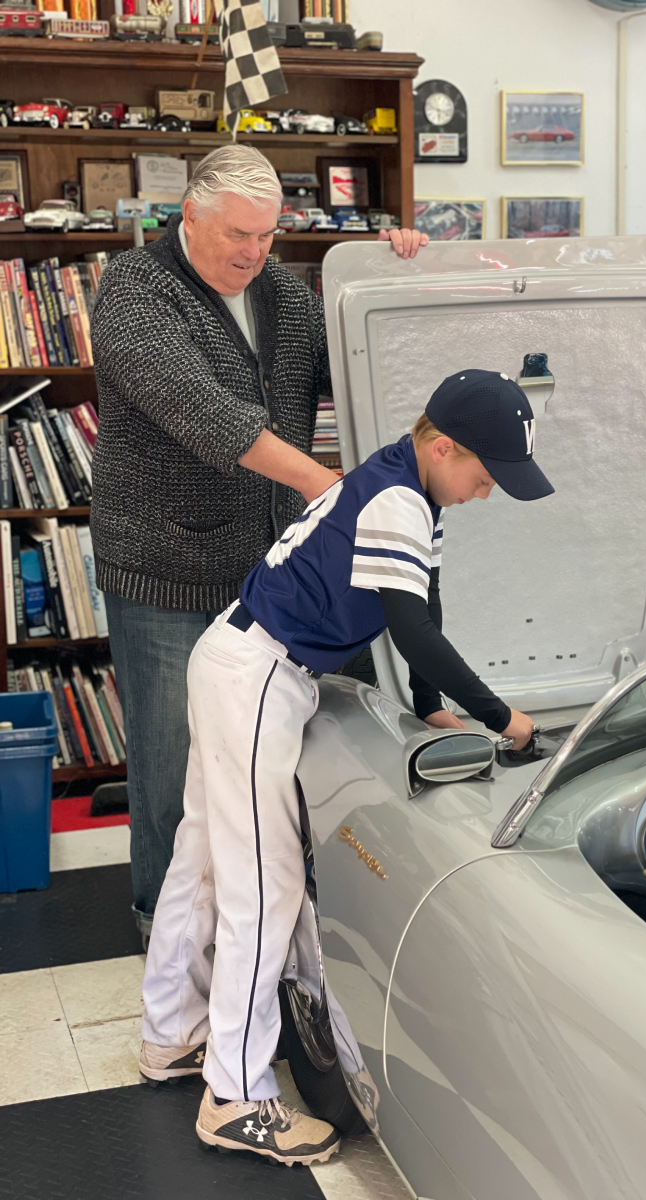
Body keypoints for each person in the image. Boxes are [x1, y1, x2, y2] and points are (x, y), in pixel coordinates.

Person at [138, 369, 554, 1164]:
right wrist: (505, 718)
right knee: (265, 886)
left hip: (237, 660)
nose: (487, 492)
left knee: (201, 865)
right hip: (260, 674)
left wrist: (433, 706)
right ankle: (234, 1096)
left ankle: (170, 1033)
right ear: (441, 445)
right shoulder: (399, 500)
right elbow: (413, 632)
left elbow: (420, 609)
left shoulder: (402, 483)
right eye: (484, 474)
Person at [89, 145, 428, 938]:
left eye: (268, 236)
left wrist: (392, 280)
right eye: (237, 234)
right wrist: (327, 486)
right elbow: (208, 415)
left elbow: (362, 369)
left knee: (281, 760)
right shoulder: (134, 293)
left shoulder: (284, 293)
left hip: (275, 576)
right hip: (166, 571)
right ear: (190, 217)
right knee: (177, 769)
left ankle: (272, 932)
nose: (253, 252)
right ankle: (167, 937)